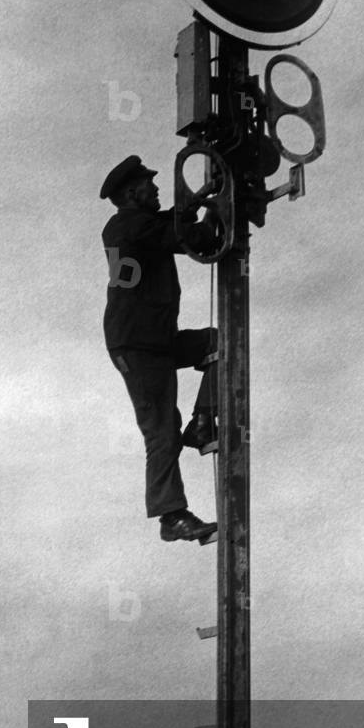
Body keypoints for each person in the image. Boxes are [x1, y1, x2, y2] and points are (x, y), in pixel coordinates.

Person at [101, 154, 219, 543]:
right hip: (138, 345)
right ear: (131, 193)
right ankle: (171, 516)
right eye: (148, 186)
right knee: (162, 431)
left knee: (220, 342)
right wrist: (213, 211)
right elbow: (193, 239)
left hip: (156, 339)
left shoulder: (134, 225)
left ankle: (202, 423)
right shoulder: (131, 227)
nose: (155, 189)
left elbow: (171, 224)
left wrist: (196, 205)